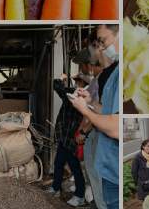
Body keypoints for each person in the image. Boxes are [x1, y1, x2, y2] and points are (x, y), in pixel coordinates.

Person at [69, 24, 122, 209]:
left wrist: (86, 113)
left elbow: (115, 127)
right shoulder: (111, 74)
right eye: (98, 42)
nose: (100, 46)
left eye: (101, 41)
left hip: (112, 163)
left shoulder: (115, 73)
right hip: (108, 163)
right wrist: (91, 101)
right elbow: (108, 111)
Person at [47, 73, 88, 206]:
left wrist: (61, 78)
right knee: (58, 163)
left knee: (75, 167)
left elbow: (57, 85)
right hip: (65, 137)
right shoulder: (74, 93)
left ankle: (79, 196)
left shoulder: (77, 95)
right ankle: (55, 188)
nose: (76, 83)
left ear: (83, 83)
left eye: (78, 81)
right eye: (76, 80)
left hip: (72, 138)